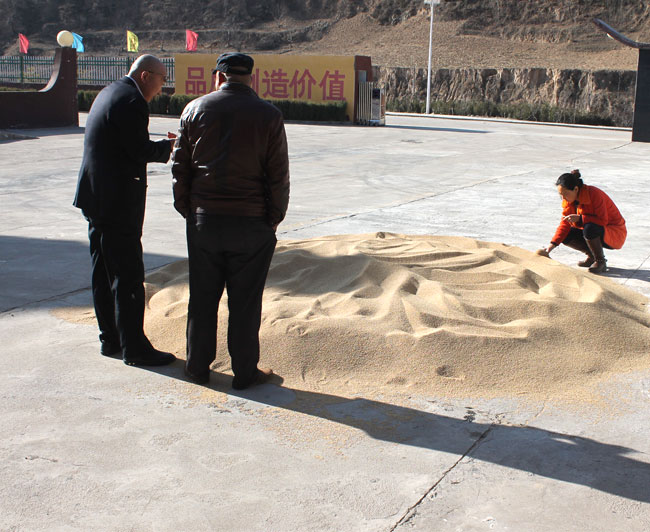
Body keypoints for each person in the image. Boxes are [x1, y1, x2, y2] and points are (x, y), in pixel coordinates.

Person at [172, 52, 290, 389]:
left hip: (204, 222)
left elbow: (180, 168)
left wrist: (189, 211)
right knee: (245, 303)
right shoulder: (269, 115)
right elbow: (278, 176)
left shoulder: (193, 110)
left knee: (202, 297)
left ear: (218, 77)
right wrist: (273, 219)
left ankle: (197, 367)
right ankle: (244, 373)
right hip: (251, 223)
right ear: (250, 78)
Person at [73, 54, 177, 366]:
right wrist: (169, 148)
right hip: (117, 203)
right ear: (146, 75)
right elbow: (138, 149)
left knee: (103, 272)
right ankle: (135, 348)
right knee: (128, 275)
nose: (161, 88)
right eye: (161, 80)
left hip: (96, 198)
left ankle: (111, 338)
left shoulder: (110, 91)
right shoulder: (133, 100)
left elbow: (123, 143)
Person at [536, 169, 626, 273]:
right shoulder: (568, 201)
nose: (563, 198)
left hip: (614, 233)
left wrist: (580, 218)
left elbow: (603, 221)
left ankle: (600, 261)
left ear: (576, 189)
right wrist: (551, 247)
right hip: (594, 230)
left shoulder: (594, 194)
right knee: (567, 234)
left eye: (565, 194)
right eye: (561, 195)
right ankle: (592, 256)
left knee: (589, 228)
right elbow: (565, 223)